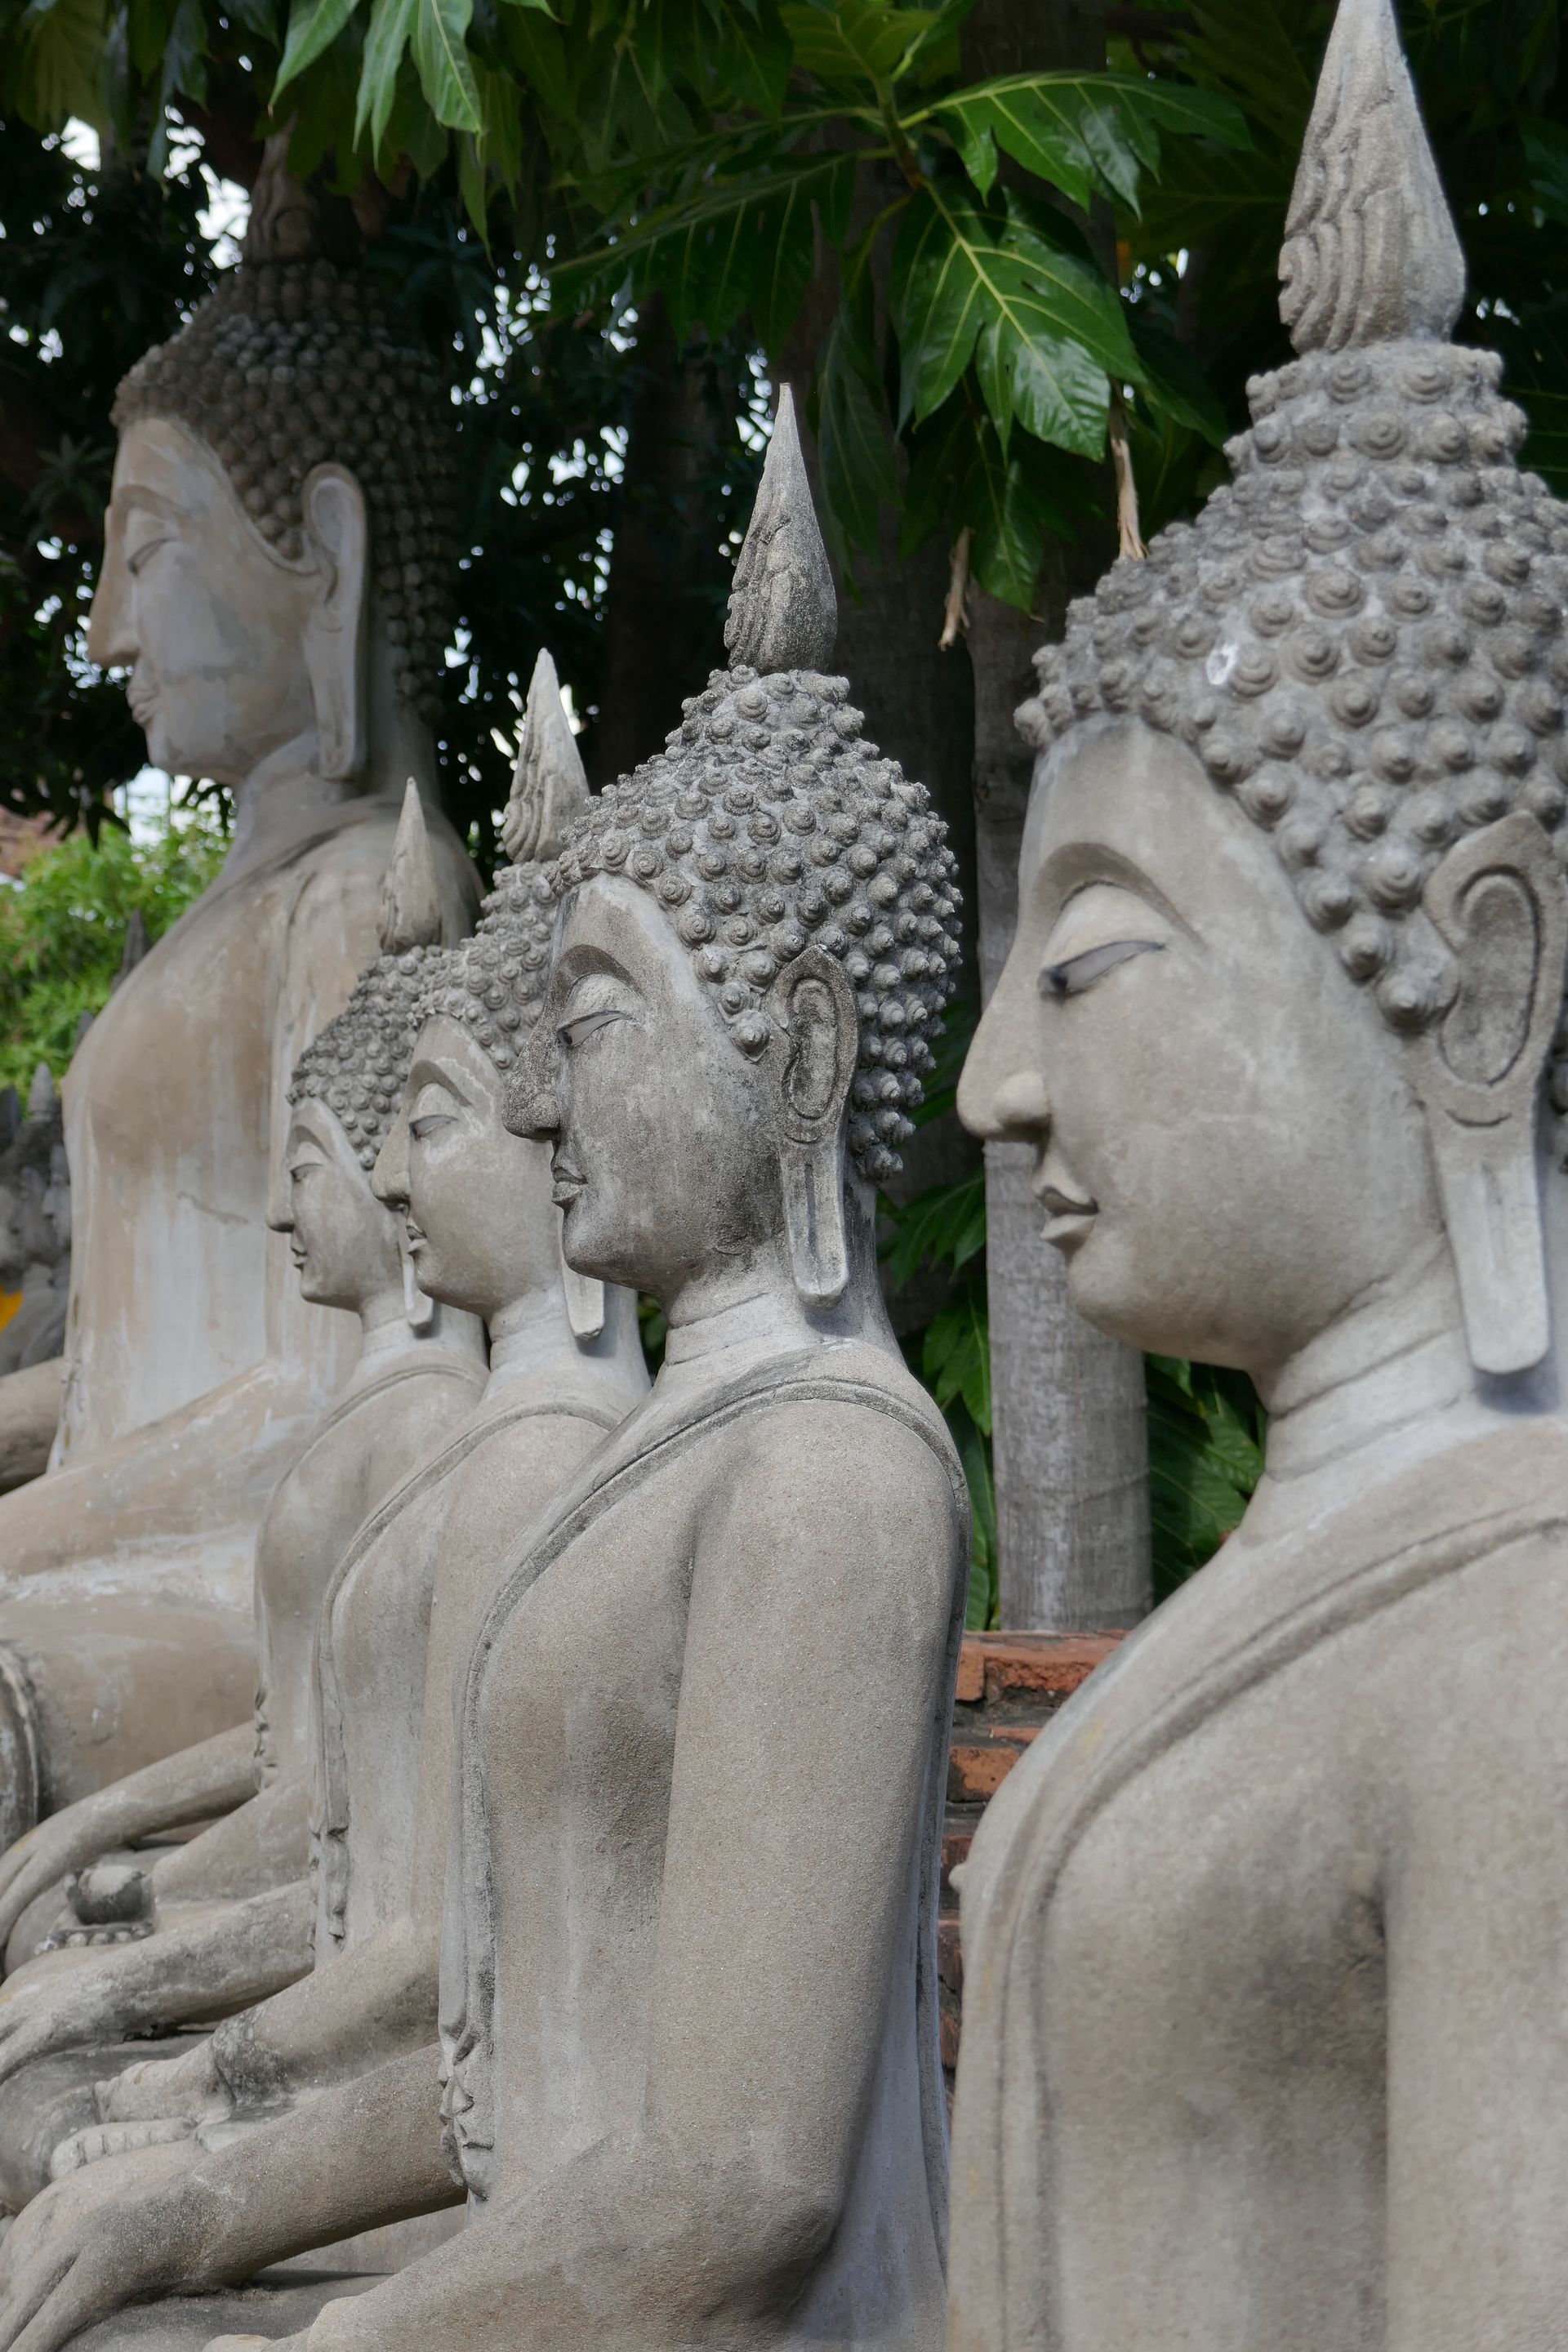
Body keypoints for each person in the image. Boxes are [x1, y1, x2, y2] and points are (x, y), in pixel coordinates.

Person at [946, 4, 1568, 2346]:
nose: (999, 1088)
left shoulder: (1528, 1656)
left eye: (1091, 960)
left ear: (1477, 983)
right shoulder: (1351, 1587)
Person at [0, 137, 478, 1840]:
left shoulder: (363, 902)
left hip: (261, 1585)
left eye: (152, 545)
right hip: (122, 1544)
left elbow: (331, 1381)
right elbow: (141, 1353)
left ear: (324, 551)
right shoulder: (250, 902)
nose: (110, 627)